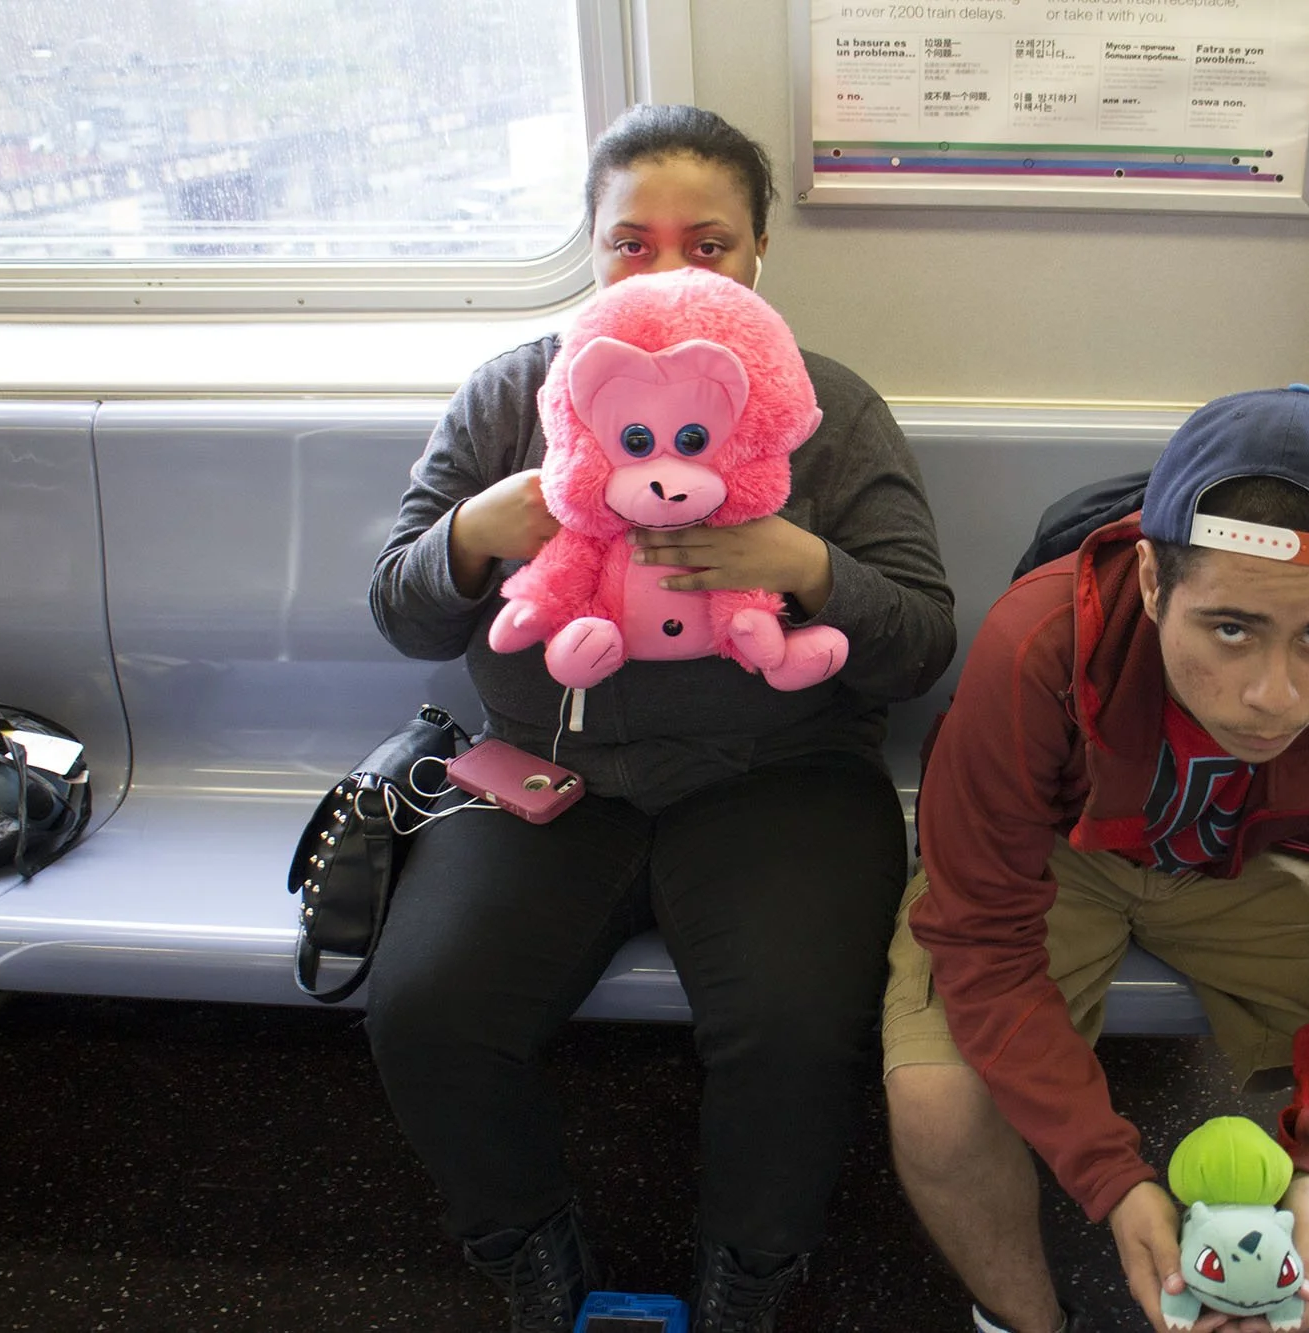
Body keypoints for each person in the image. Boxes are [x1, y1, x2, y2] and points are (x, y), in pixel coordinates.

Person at [366, 104, 955, 1333]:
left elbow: (917, 646)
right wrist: (479, 535)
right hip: (545, 772)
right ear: (590, 252)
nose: (670, 272)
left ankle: (749, 1278)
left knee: (796, 1030)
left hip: (778, 776)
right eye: (631, 244)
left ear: (757, 258)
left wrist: (800, 560)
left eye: (711, 244)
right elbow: (401, 612)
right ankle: (533, 1258)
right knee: (425, 1011)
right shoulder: (515, 394)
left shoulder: (827, 409)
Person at [883, 387, 1309, 1333]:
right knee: (938, 1101)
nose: (1272, 695)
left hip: (1247, 860)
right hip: (1062, 854)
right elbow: (982, 928)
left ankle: (1258, 1296)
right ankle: (1026, 1324)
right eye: (1230, 627)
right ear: (1154, 583)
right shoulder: (1037, 641)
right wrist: (1115, 1181)